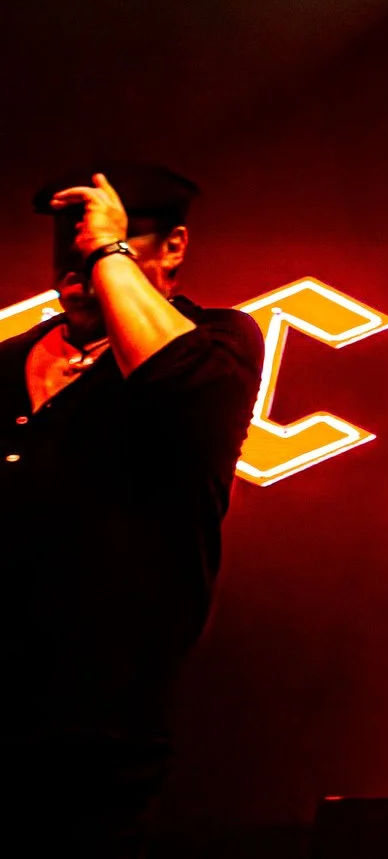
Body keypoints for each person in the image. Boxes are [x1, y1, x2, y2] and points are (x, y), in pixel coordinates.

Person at [0, 165, 262, 853]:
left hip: (104, 729)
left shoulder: (218, 344)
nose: (78, 251)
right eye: (70, 236)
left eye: (106, 235)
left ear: (173, 245)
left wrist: (108, 252)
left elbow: (174, 386)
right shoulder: (9, 360)